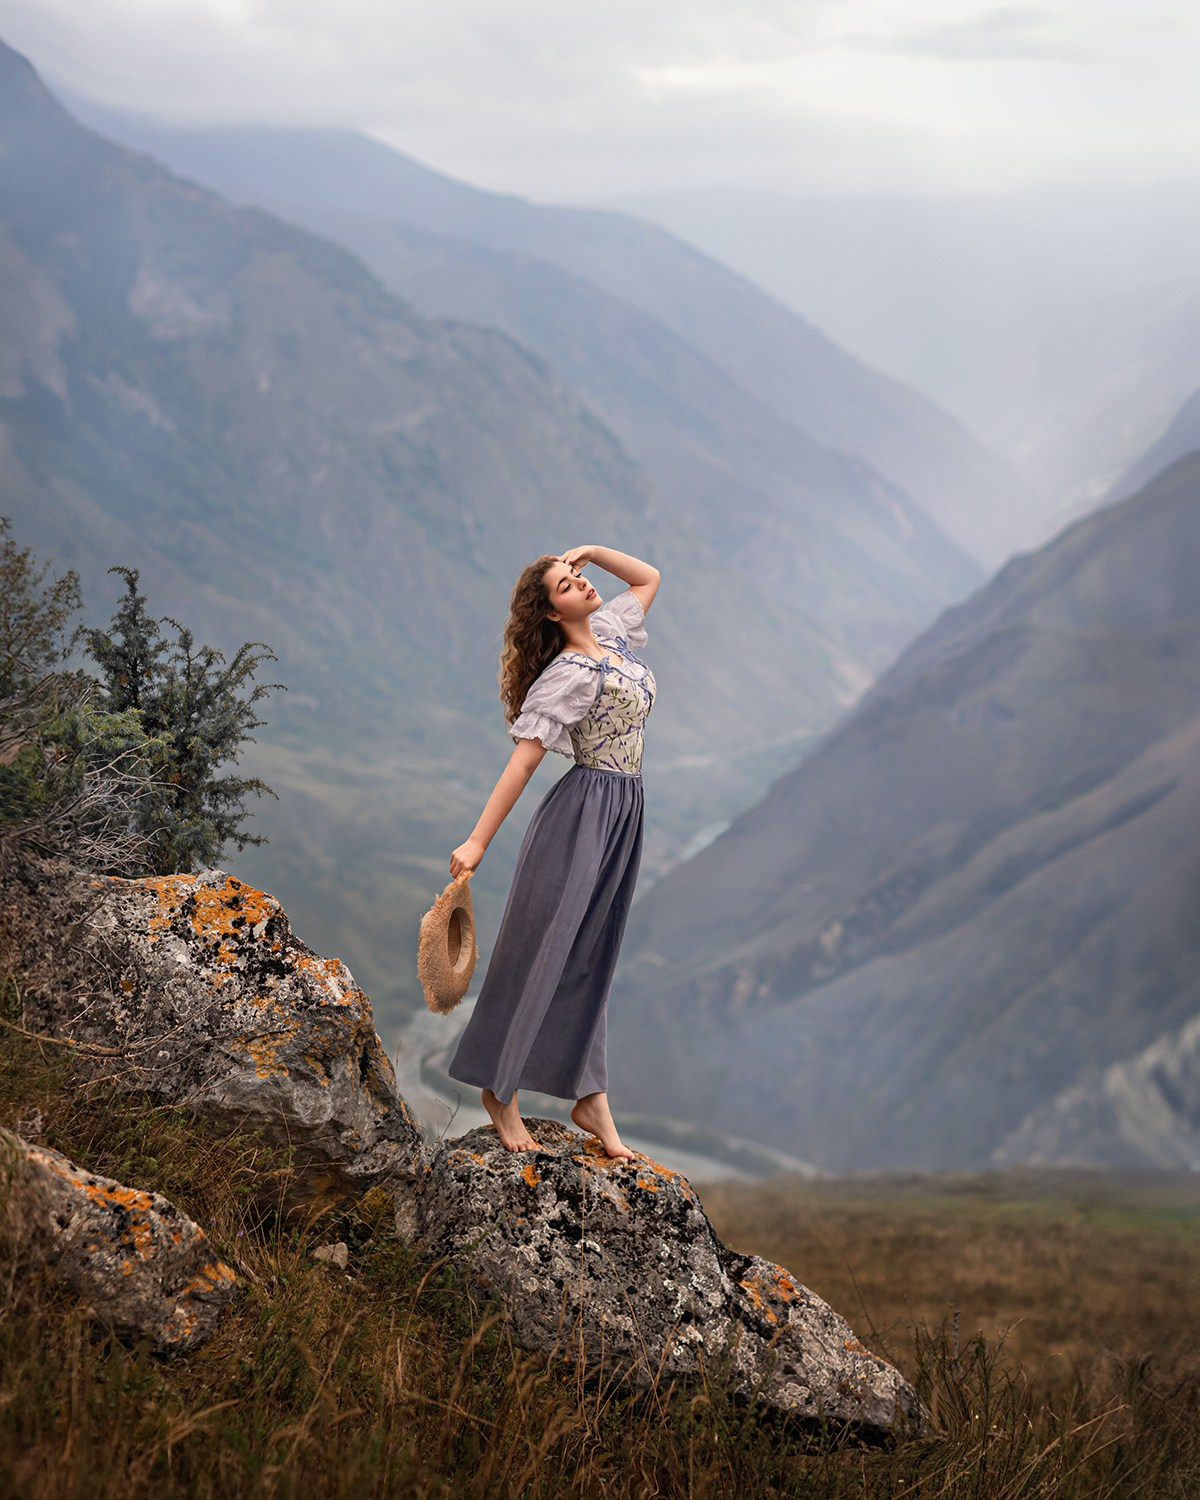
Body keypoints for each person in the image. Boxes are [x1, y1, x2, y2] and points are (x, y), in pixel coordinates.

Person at [446, 544, 660, 1159]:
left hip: (623, 813)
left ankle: (589, 1094)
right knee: (539, 952)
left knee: (595, 954)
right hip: (579, 817)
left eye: (578, 578)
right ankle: (500, 1089)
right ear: (549, 614)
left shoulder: (615, 636)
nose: (582, 585)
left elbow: (648, 577)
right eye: (566, 586)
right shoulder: (568, 672)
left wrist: (592, 550)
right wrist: (478, 839)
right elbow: (524, 760)